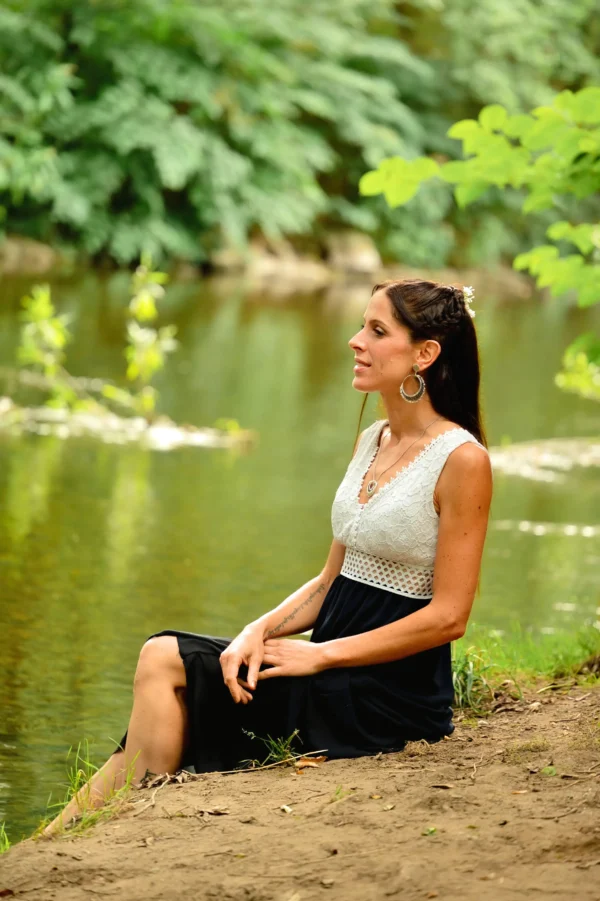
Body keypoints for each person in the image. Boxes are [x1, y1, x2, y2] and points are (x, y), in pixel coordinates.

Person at [44, 278, 493, 835]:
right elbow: (332, 581)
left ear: (424, 354)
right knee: (171, 673)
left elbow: (449, 616)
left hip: (387, 695)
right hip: (330, 667)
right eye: (362, 325)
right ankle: (50, 845)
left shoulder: (461, 460)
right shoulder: (373, 440)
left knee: (164, 659)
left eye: (377, 331)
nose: (356, 341)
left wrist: (319, 656)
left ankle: (128, 830)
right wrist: (257, 631)